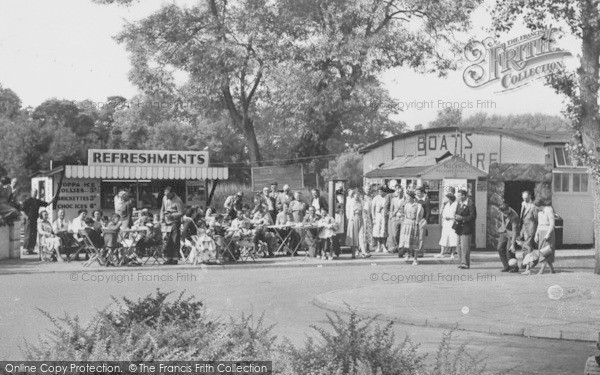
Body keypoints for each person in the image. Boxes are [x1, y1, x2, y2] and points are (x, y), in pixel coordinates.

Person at [22, 188, 58, 254]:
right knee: (28, 234)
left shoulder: (37, 201)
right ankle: (25, 249)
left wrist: (52, 200)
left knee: (33, 234)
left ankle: (31, 249)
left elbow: (46, 204)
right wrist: (26, 217)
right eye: (34, 192)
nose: (35, 193)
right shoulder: (27, 200)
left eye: (36, 192)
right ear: (31, 192)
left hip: (35, 219)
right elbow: (22, 210)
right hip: (29, 220)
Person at [398, 191, 424, 266]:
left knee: (414, 242)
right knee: (406, 241)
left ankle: (415, 259)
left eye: (408, 197)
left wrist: (417, 222)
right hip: (406, 223)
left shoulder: (418, 205)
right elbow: (404, 214)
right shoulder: (406, 205)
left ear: (412, 198)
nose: (407, 198)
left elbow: (421, 215)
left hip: (413, 224)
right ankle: (408, 255)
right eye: (406, 197)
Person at [160, 187, 184, 265]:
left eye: (167, 195)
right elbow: (162, 208)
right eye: (165, 194)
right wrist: (161, 218)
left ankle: (175, 258)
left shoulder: (178, 200)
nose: (166, 196)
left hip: (175, 221)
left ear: (172, 193)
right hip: (166, 222)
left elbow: (181, 212)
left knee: (175, 239)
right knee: (167, 240)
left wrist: (172, 215)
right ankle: (168, 258)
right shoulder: (164, 198)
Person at [532, 197, 556, 275]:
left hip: (547, 232)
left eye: (536, 206)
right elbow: (539, 224)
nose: (535, 208)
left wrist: (548, 234)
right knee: (542, 250)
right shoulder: (539, 212)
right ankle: (552, 269)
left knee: (546, 251)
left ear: (539, 205)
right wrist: (536, 234)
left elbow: (552, 224)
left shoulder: (549, 210)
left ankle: (541, 270)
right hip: (541, 232)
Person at [454, 189, 477, 270]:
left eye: (459, 196)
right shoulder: (459, 203)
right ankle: (460, 262)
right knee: (459, 246)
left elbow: (473, 217)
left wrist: (462, 218)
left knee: (465, 246)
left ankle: (465, 263)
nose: (458, 197)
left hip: (466, 228)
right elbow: (456, 212)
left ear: (464, 195)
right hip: (459, 228)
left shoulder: (470, 204)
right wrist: (456, 217)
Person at [497, 201, 520, 272]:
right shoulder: (502, 211)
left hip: (511, 233)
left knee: (509, 250)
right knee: (499, 248)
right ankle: (506, 266)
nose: (504, 214)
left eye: (505, 213)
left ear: (508, 209)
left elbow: (514, 231)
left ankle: (514, 267)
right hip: (504, 232)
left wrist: (513, 244)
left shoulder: (514, 216)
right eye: (503, 213)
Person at [346, 192, 369, 258]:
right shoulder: (350, 201)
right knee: (353, 236)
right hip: (353, 219)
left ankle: (364, 252)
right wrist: (349, 219)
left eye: (358, 195)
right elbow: (347, 211)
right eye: (356, 195)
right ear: (353, 196)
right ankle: (353, 253)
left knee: (361, 236)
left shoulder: (361, 201)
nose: (357, 197)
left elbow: (365, 209)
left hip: (360, 219)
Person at [436, 193, 458, 259]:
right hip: (446, 223)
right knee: (444, 237)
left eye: (446, 198)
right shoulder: (446, 205)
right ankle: (442, 253)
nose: (445, 199)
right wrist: (445, 216)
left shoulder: (456, 204)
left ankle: (452, 254)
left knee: (453, 238)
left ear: (449, 198)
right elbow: (442, 213)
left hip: (452, 222)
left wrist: (451, 217)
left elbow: (457, 213)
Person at [518, 190, 537, 262]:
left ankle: (526, 263)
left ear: (530, 196)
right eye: (523, 198)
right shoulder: (523, 204)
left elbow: (536, 218)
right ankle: (530, 261)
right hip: (524, 228)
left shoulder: (533, 206)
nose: (525, 199)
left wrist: (535, 230)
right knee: (526, 245)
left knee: (527, 245)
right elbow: (522, 217)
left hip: (530, 228)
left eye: (526, 198)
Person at [387, 185, 405, 253]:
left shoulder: (405, 200)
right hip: (395, 218)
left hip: (403, 218)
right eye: (398, 191)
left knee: (402, 234)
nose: (399, 193)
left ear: (403, 192)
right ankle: (397, 246)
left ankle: (401, 249)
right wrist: (391, 217)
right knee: (395, 235)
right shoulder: (393, 200)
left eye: (401, 192)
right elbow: (391, 210)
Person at [371, 186, 388, 253]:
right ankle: (378, 247)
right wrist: (373, 218)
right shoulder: (376, 198)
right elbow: (373, 208)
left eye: (381, 191)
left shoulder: (386, 197)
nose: (380, 193)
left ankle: (384, 247)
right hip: (377, 216)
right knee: (377, 231)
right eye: (379, 191)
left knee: (383, 231)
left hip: (384, 216)